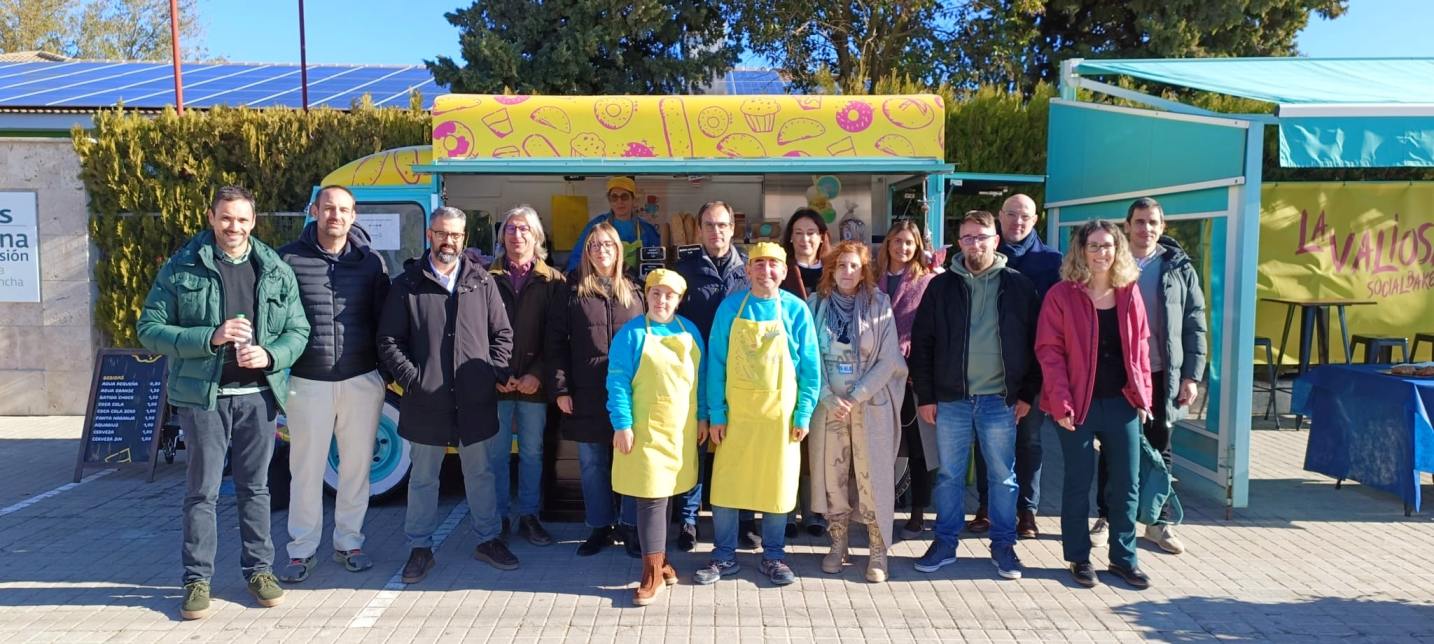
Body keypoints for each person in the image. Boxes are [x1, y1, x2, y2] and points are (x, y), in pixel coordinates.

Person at [137, 186, 310, 620]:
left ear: (254, 222)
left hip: (257, 397)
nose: (234, 226)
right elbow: (149, 329)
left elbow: (298, 330)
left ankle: (260, 571)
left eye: (242, 219)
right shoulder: (182, 267)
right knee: (203, 493)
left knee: (257, 489)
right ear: (211, 218)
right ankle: (196, 580)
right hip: (204, 400)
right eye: (226, 218)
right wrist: (208, 337)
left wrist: (271, 355)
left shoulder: (273, 268)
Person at [378, 206, 518, 582]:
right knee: (424, 478)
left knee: (480, 473)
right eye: (441, 233)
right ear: (429, 235)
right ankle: (419, 547)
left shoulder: (481, 282)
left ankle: (488, 539)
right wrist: (413, 379)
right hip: (427, 401)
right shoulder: (407, 284)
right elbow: (389, 341)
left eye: (455, 235)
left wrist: (490, 374)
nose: (448, 241)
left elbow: (503, 335)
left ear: (464, 239)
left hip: (474, 400)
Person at [909, 211, 1041, 580]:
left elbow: (1036, 346)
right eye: (967, 237)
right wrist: (926, 396)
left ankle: (1003, 546)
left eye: (982, 237)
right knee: (949, 476)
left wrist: (1028, 392)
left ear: (996, 240)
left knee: (1003, 477)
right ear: (959, 242)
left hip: (1000, 400)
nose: (975, 244)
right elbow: (923, 344)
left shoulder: (1018, 286)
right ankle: (945, 542)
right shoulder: (941, 287)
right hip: (951, 400)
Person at [277, 185, 390, 583]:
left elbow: (384, 322)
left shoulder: (371, 263)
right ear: (313, 210)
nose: (335, 216)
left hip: (362, 380)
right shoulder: (287, 259)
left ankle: (349, 542)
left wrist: (383, 375)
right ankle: (301, 550)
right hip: (307, 382)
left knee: (357, 468)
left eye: (343, 210)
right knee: (305, 469)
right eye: (328, 209)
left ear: (354, 215)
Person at [694, 242, 821, 587]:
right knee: (725, 488)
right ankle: (723, 555)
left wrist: (803, 413)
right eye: (759, 264)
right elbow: (715, 365)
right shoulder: (730, 309)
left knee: (777, 486)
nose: (766, 271)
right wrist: (716, 413)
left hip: (781, 419)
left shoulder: (796, 311)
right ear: (747, 270)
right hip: (736, 417)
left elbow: (811, 368)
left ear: (783, 271)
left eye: (773, 265)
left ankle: (774, 556)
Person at [1036, 219, 1154, 590]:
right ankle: (1079, 557)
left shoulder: (1129, 292)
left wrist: (1143, 396)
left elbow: (1141, 349)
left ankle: (1124, 559)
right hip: (1076, 406)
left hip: (1120, 403)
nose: (1102, 253)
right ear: (1081, 251)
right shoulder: (1061, 295)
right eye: (1094, 246)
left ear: (1118, 250)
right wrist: (1061, 403)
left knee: (1126, 484)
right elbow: (1049, 352)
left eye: (1108, 246)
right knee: (1077, 482)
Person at [1094, 197, 1206, 554]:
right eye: (1140, 222)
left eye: (1153, 222)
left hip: (1161, 372)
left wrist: (1191, 375)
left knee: (1160, 448)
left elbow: (1194, 322)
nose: (1146, 229)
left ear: (1163, 227)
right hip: (1118, 373)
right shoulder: (1110, 260)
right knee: (1114, 447)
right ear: (1127, 225)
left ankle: (1159, 522)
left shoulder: (1178, 266)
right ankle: (1107, 517)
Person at [806, 240, 907, 583]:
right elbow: (808, 357)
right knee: (831, 477)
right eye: (841, 265)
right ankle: (838, 544)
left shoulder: (880, 305)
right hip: (829, 409)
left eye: (854, 266)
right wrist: (825, 396)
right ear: (830, 270)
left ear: (864, 270)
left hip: (869, 407)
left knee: (872, 477)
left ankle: (878, 550)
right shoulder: (815, 305)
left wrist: (859, 394)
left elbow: (889, 358)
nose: (847, 272)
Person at [606, 269, 707, 606]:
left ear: (679, 300)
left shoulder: (690, 332)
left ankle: (661, 562)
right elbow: (617, 380)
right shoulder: (631, 334)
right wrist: (622, 423)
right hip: (644, 431)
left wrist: (704, 416)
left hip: (680, 429)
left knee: (667, 496)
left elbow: (702, 380)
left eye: (669, 295)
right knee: (650, 498)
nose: (662, 301)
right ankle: (650, 573)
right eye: (656, 294)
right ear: (646, 297)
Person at [547, 222, 645, 557]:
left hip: (631, 393)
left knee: (629, 461)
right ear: (586, 252)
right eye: (594, 245)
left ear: (619, 250)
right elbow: (556, 342)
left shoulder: (636, 290)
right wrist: (560, 388)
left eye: (608, 244)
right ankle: (600, 526)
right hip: (586, 391)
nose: (601, 251)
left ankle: (630, 527)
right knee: (592, 464)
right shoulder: (571, 291)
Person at [969, 193, 1064, 538]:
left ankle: (1027, 510)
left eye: (1024, 216)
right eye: (1011, 215)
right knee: (986, 439)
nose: (1017, 222)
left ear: (1035, 219)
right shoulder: (980, 256)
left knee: (1028, 439)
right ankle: (986, 506)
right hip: (987, 368)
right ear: (999, 217)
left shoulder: (1052, 262)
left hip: (1033, 368)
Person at [671, 200, 750, 551]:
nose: (716, 231)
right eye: (709, 225)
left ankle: (744, 519)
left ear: (733, 228)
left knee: (737, 448)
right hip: (694, 374)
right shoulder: (684, 271)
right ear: (700, 229)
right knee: (696, 446)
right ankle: (689, 520)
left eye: (722, 225)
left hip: (741, 375)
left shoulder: (749, 271)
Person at [488, 205, 565, 546]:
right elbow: (476, 331)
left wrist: (538, 374)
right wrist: (497, 371)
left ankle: (529, 516)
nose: (516, 235)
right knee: (497, 453)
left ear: (537, 236)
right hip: (497, 382)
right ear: (502, 235)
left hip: (535, 384)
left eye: (524, 229)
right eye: (510, 229)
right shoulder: (484, 277)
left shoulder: (553, 281)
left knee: (532, 452)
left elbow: (559, 335)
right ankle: (500, 518)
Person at [876, 219, 937, 540]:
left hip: (912, 374)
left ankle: (918, 509)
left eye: (908, 243)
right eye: (897, 241)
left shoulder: (925, 281)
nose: (902, 247)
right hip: (878, 373)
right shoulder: (875, 278)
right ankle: (882, 504)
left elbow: (928, 329)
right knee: (884, 443)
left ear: (917, 248)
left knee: (917, 447)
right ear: (888, 243)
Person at [779, 207, 832, 537]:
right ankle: (784, 510)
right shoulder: (780, 271)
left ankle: (815, 511)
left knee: (818, 442)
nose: (804, 239)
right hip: (786, 368)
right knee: (788, 439)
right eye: (798, 233)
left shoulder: (834, 269)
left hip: (826, 369)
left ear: (822, 236)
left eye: (811, 232)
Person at [566, 176, 662, 273]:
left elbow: (657, 259)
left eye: (624, 197)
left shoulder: (646, 229)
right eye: (614, 197)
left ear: (633, 199)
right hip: (603, 283)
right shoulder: (597, 225)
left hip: (636, 284)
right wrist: (573, 278)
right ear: (609, 200)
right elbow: (579, 255)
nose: (619, 202)